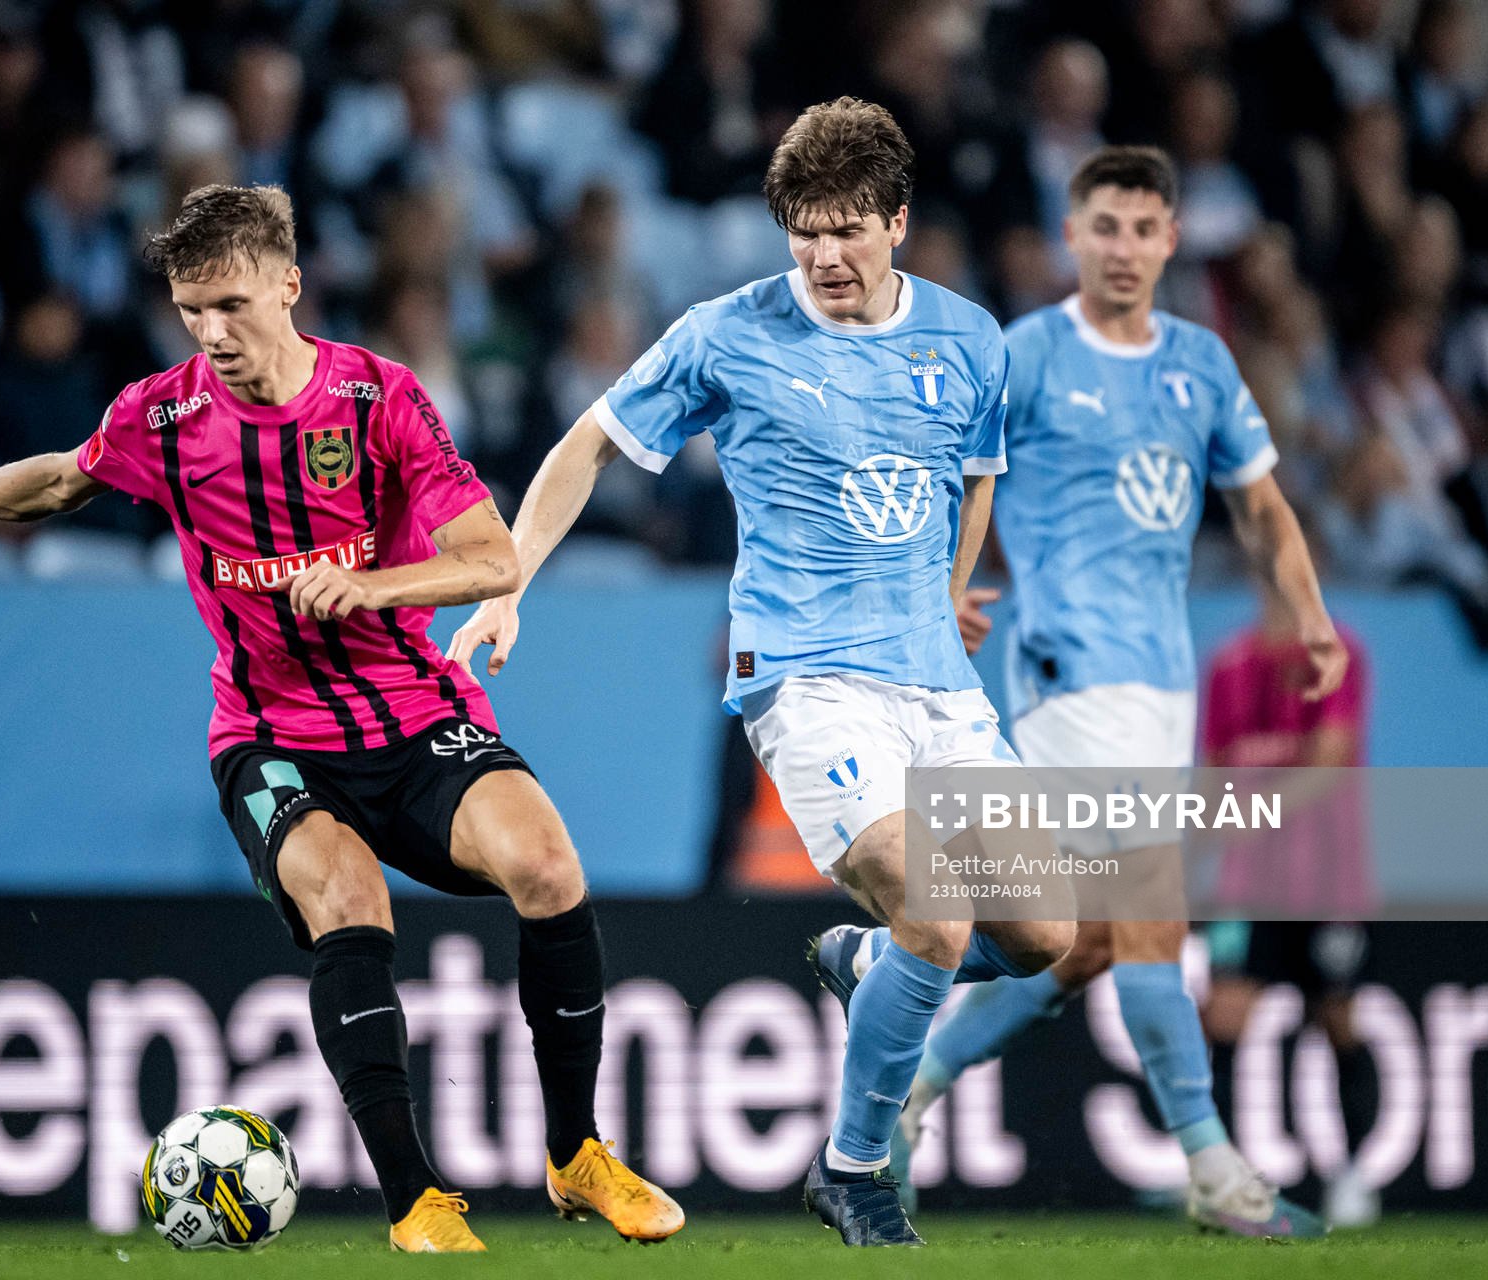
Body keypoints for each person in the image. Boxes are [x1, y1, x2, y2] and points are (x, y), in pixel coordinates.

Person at [0, 184, 682, 1254]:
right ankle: (416, 1202)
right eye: (191, 310)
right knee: (352, 901)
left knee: (549, 866)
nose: (212, 334)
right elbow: (64, 482)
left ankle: (577, 1154)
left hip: (411, 710)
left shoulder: (379, 400)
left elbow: (495, 556)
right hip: (271, 734)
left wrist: (377, 586)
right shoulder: (163, 416)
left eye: (232, 305)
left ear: (289, 287)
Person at [446, 98, 1075, 1247]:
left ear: (897, 221)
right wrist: (509, 577)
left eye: (846, 229)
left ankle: (871, 964)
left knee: (1046, 934)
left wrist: (944, 592)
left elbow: (975, 475)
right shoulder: (725, 334)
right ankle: (853, 1164)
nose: (824, 256)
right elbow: (587, 440)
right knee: (938, 906)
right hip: (805, 674)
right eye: (803, 231)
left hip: (936, 682)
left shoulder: (971, 338)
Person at [870, 146, 1346, 1237]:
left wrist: (1310, 613)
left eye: (1144, 229)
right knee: (1149, 921)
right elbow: (939, 470)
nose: (1125, 248)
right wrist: (945, 587)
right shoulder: (1027, 354)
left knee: (1082, 941)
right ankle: (1216, 1168)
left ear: (1170, 241)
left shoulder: (1202, 364)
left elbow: (1263, 508)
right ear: (1073, 237)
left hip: (1160, 677)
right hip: (1068, 669)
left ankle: (910, 1094)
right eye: (1106, 228)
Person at [1201, 583, 1380, 1230]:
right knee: (1221, 1018)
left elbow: (1331, 760)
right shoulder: (1227, 665)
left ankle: (1354, 1175)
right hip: (1247, 885)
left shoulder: (1337, 654)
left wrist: (1252, 810)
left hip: (1328, 882)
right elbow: (1213, 771)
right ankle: (1218, 1174)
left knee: (1336, 1020)